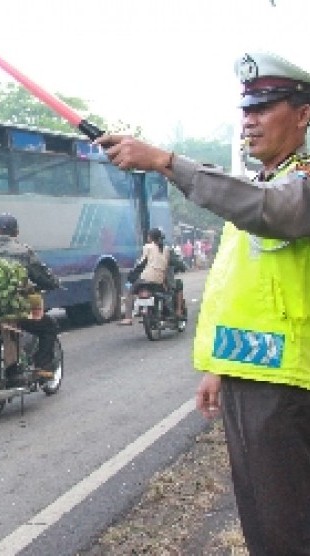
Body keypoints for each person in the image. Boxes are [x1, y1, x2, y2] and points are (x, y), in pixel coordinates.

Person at [95, 51, 310, 556]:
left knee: (287, 531)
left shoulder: (288, 189)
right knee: (264, 520)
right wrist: (218, 367)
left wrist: (168, 162)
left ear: (304, 114)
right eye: (246, 110)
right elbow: (237, 290)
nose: (249, 121)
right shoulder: (260, 185)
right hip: (252, 376)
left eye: (266, 107)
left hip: (290, 386)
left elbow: (273, 211)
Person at [0, 213, 61, 379]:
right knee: (49, 326)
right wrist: (53, 283)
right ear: (16, 233)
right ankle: (43, 367)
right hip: (14, 310)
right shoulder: (23, 251)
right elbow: (42, 276)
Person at [119, 227, 170, 325]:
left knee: (129, 292)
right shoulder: (166, 249)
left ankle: (128, 318)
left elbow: (141, 263)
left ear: (150, 237)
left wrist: (131, 276)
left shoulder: (148, 247)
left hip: (146, 278)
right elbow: (165, 267)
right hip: (159, 280)